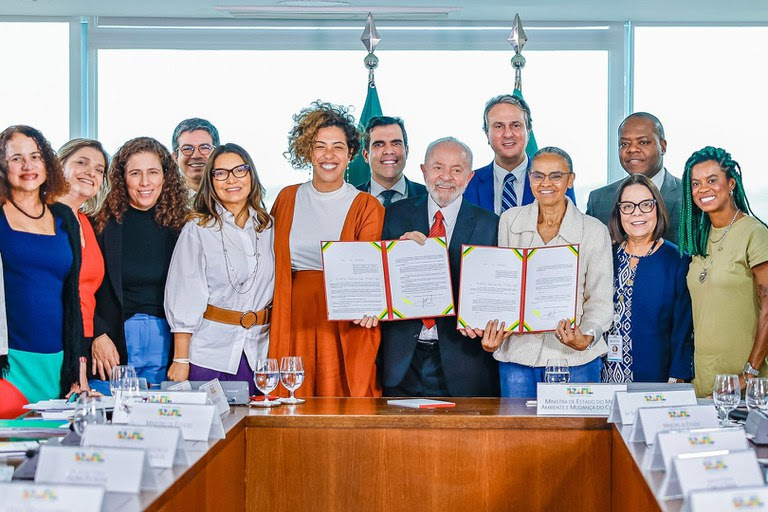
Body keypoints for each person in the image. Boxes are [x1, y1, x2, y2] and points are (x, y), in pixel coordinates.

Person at [470, 147, 612, 398]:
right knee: (520, 436)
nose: (546, 183)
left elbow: (599, 299)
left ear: (570, 180)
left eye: (556, 176)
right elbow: (501, 288)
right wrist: (490, 331)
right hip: (518, 358)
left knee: (579, 436)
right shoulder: (509, 221)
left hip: (576, 358)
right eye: (538, 176)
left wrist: (586, 336)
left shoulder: (594, 230)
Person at [270, 100, 385, 397]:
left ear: (351, 153)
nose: (329, 155)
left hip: (345, 321)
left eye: (338, 147)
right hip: (292, 314)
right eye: (320, 146)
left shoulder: (367, 205)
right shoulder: (286, 198)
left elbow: (370, 271)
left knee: (343, 399)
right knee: (292, 395)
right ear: (307, 151)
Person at [379, 137, 499, 396]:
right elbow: (380, 281)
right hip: (401, 363)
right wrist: (400, 257)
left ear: (469, 178)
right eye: (438, 168)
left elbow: (497, 293)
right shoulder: (393, 215)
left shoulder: (491, 225)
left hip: (465, 363)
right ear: (423, 171)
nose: (446, 177)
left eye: (456, 170)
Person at [165, 143, 274, 396]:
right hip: (210, 352)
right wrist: (181, 360)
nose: (231, 179)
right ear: (211, 181)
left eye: (239, 170)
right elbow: (184, 297)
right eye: (221, 173)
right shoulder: (198, 229)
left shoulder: (271, 228)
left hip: (260, 352)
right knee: (213, 432)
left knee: (257, 432)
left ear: (251, 175)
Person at [91, 137, 188, 391]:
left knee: (159, 419)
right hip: (116, 338)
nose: (145, 182)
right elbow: (83, 287)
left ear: (166, 176)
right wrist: (98, 334)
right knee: (118, 420)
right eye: (135, 173)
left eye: (153, 172)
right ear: (123, 179)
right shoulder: (100, 225)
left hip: (168, 339)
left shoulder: (183, 227)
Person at [0, 125, 84, 417]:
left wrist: (76, 367)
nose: (27, 166)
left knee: (50, 454)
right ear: (2, 166)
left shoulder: (64, 218)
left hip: (56, 363)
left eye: (35, 156)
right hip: (9, 363)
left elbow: (72, 297)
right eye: (16, 158)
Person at [679, 146, 768, 397]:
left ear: (731, 183)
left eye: (712, 180)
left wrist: (749, 373)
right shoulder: (698, 239)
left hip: (747, 382)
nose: (703, 189)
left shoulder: (754, 233)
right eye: (696, 183)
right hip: (705, 379)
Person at [602, 174, 693, 383]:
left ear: (657, 208)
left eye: (646, 205)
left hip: (655, 376)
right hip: (604, 375)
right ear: (619, 212)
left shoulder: (677, 260)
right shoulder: (606, 255)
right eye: (628, 206)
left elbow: (682, 328)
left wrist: (677, 376)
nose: (637, 213)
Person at [464, 94, 575, 214]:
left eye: (516, 125)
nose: (508, 134)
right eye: (498, 126)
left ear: (528, 130)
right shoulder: (468, 183)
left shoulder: (556, 179)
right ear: (487, 134)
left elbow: (571, 227)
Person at [57, 139, 110, 380]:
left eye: (99, 170)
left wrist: (98, 333)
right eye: (82, 163)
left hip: (85, 340)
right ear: (59, 166)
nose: (91, 173)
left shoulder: (87, 222)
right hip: (56, 339)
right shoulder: (44, 218)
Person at [586, 112, 682, 245]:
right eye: (624, 144)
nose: (632, 149)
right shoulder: (599, 200)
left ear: (663, 146)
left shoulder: (690, 196)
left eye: (643, 142)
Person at [355, 116, 426, 206]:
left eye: (396, 143)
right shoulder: (350, 199)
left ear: (406, 151)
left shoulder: (429, 198)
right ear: (366, 155)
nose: (388, 151)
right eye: (379, 144)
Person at [171, 118, 220, 195]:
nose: (196, 156)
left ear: (217, 154)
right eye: (187, 148)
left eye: (204, 147)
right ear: (175, 158)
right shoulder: (162, 200)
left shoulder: (235, 194)